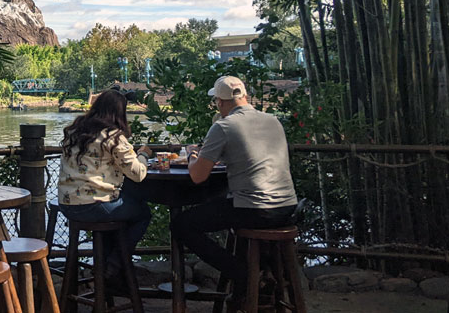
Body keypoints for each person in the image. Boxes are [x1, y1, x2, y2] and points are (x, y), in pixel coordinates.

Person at [172, 75, 297, 305]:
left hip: (255, 209)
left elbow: (198, 176)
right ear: (246, 96)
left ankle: (245, 276)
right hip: (287, 207)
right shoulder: (273, 120)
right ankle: (256, 282)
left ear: (219, 102)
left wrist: (192, 154)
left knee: (181, 225)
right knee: (226, 210)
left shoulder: (223, 126)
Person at [57, 88, 153, 281]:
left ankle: (107, 273)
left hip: (67, 205)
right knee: (142, 213)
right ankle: (114, 265)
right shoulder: (113, 137)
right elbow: (138, 174)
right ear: (120, 112)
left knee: (115, 214)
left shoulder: (75, 130)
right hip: (93, 205)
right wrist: (143, 154)